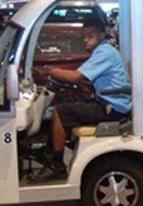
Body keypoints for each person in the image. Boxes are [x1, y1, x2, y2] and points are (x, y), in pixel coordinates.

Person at [30, 17, 132, 181]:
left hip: (113, 108)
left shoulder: (104, 52)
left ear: (102, 35)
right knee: (64, 98)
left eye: (90, 35)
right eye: (84, 36)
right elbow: (85, 78)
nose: (86, 40)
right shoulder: (103, 51)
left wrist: (49, 71)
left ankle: (56, 165)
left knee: (61, 112)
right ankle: (49, 151)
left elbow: (76, 76)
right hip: (108, 101)